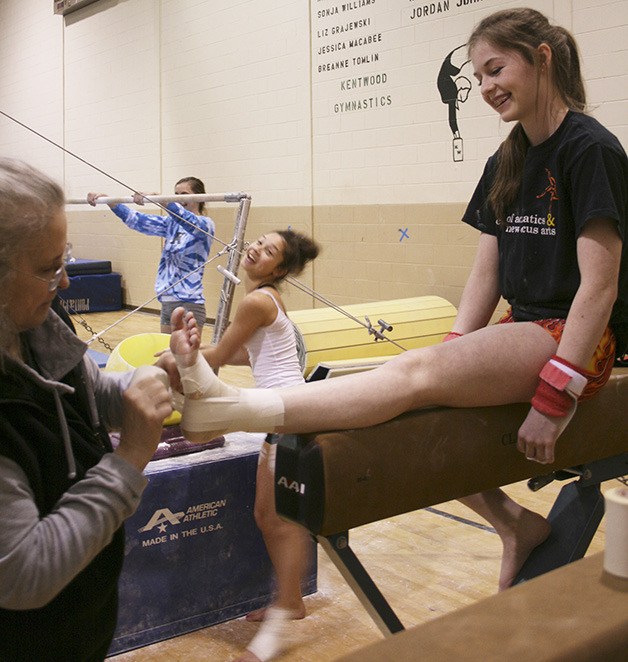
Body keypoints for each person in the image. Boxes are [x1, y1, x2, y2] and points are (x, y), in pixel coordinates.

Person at [168, 6, 626, 595]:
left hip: (580, 340)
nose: (485, 87)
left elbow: (601, 286)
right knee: (426, 401)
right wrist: (461, 345)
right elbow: (486, 269)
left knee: (414, 373)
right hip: (526, 327)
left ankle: (236, 407)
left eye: (496, 69)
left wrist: (556, 393)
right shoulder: (508, 157)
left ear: (542, 59)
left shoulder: (588, 148)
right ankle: (516, 525)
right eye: (478, 76)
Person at [0, 158, 173, 661]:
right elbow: (24, 573)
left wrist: (150, 383)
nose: (67, 283)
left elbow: (85, 394)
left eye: (64, 259)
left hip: (78, 627)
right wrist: (129, 460)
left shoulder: (35, 323)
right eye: (48, 269)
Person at [161, 229, 319, 662]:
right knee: (269, 515)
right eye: (259, 242)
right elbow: (243, 355)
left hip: (289, 412)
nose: (255, 249)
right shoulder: (267, 299)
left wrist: (173, 359)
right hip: (285, 409)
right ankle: (293, 600)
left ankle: (287, 607)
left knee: (278, 519)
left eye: (269, 252)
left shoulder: (255, 302)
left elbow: (217, 357)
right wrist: (192, 352)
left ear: (279, 269)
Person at [87, 176, 215, 337]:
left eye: (183, 194)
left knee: (186, 358)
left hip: (188, 302)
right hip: (167, 301)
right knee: (169, 356)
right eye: (175, 194)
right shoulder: (171, 224)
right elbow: (138, 221)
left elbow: (187, 219)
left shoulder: (205, 225)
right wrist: (110, 202)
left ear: (198, 197)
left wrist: (160, 198)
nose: (178, 198)